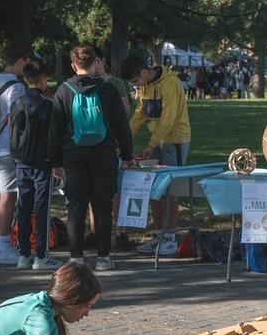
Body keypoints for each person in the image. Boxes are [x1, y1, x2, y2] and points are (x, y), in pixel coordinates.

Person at [49, 46, 133, 271]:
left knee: (75, 206)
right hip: (104, 153)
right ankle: (104, 257)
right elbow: (122, 126)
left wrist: (56, 162)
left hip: (73, 155)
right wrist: (127, 155)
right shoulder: (108, 89)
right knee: (102, 205)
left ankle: (76, 257)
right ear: (95, 63)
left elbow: (55, 131)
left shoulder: (63, 91)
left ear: (73, 66)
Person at [122, 55, 191, 257]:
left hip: (175, 139)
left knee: (170, 190)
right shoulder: (145, 86)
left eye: (135, 82)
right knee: (153, 188)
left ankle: (169, 238)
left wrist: (151, 145)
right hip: (158, 139)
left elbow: (169, 119)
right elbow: (140, 114)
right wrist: (124, 138)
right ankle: (158, 234)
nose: (136, 86)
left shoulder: (171, 83)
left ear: (143, 73)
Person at [0, 45, 30, 265]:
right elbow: (16, 120)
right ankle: (4, 248)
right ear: (21, 61)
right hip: (6, 148)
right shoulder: (17, 86)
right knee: (7, 196)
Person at [13, 60, 63, 271]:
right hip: (42, 163)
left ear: (25, 80)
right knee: (41, 207)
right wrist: (57, 164)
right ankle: (41, 255)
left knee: (23, 207)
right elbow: (54, 138)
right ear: (43, 81)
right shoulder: (47, 106)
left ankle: (23, 254)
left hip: (21, 161)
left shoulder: (17, 103)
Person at [86, 47, 133, 251]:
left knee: (116, 191)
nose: (95, 65)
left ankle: (120, 231)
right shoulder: (83, 84)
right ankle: (95, 231)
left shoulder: (115, 83)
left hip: (111, 143)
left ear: (103, 61)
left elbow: (124, 111)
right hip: (91, 144)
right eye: (91, 62)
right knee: (91, 191)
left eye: (97, 61)